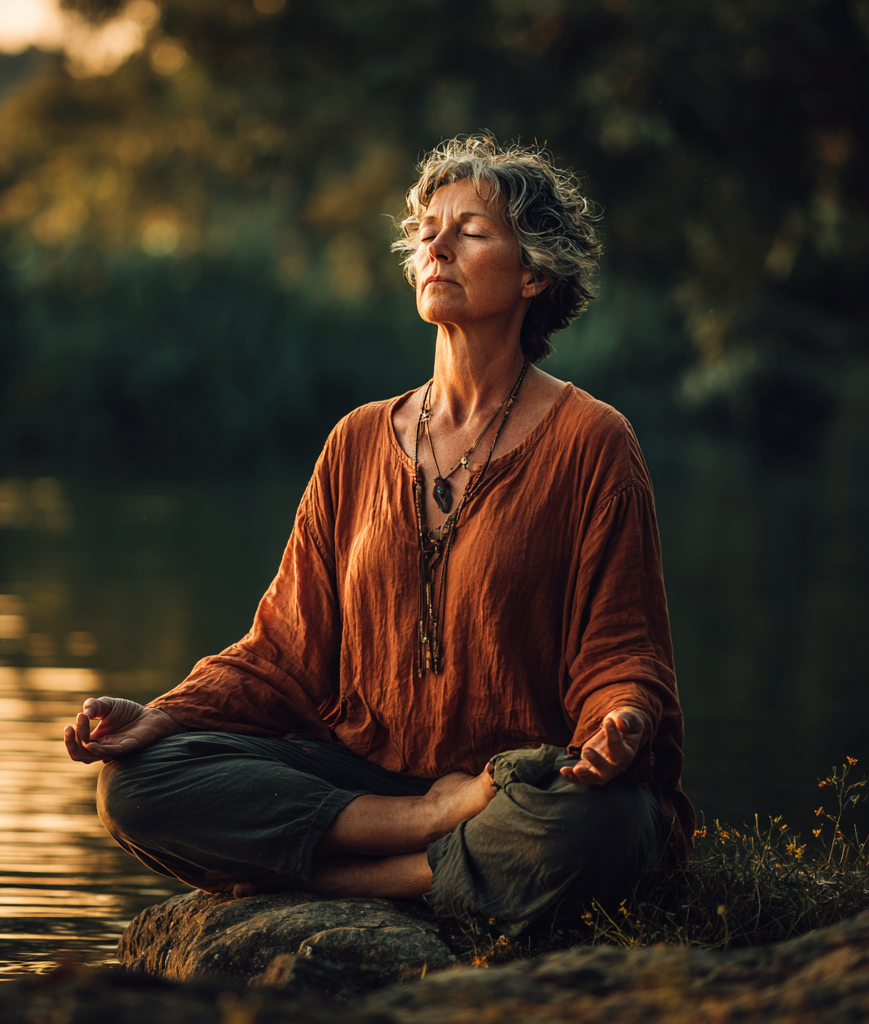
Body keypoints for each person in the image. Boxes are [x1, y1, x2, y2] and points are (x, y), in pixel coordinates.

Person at [64, 136, 693, 934]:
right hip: (368, 780)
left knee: (601, 822)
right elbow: (283, 651)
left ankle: (355, 878)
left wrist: (622, 719)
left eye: (471, 232)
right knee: (136, 783)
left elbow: (622, 650)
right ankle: (427, 835)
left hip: (514, 785)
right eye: (428, 230)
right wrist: (169, 716)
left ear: (534, 274)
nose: (437, 246)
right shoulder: (357, 440)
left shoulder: (593, 441)